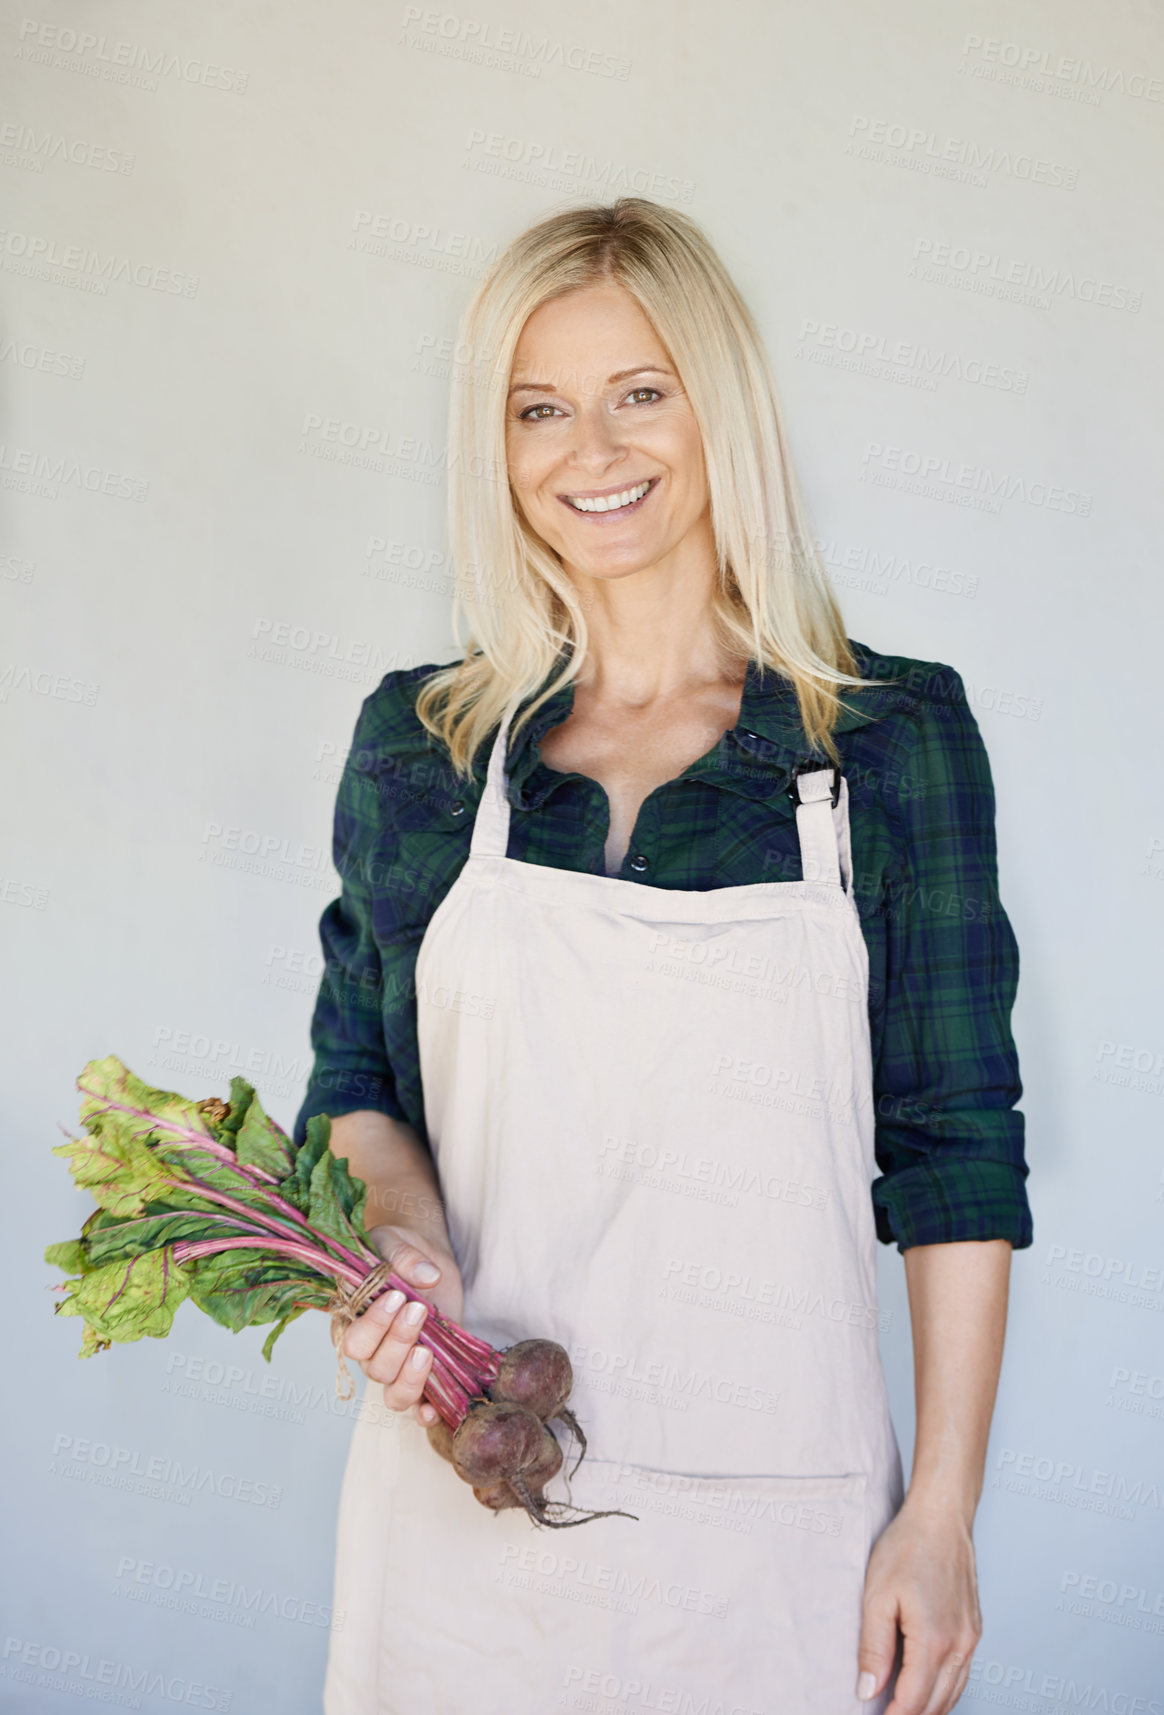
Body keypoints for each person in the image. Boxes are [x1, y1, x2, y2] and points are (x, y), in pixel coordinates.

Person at [293, 197, 1032, 1715]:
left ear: (721, 408)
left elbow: (957, 1149)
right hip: (464, 1517)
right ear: (494, 449)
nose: (594, 452)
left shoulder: (883, 743)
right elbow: (357, 1086)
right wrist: (403, 1242)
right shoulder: (424, 752)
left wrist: (941, 1514)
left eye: (642, 392)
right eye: (538, 409)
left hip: (779, 1535)